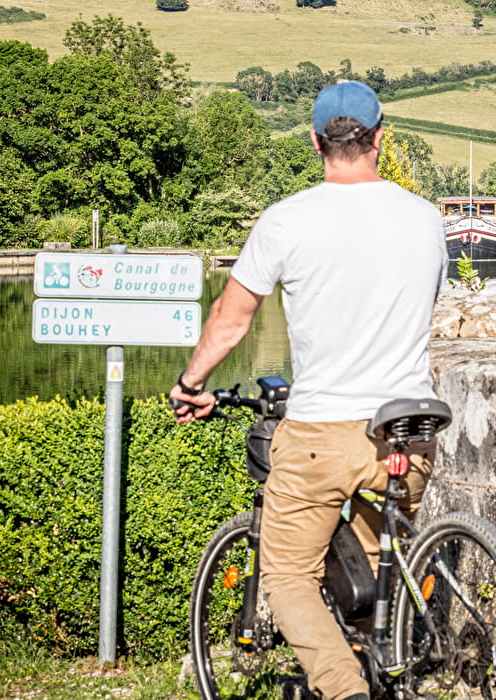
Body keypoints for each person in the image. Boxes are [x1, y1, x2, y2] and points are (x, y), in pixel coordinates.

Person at [170, 80, 448, 700]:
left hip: (323, 428)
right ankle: (384, 662)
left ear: (316, 141)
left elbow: (232, 320)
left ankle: (343, 687)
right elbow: (422, 307)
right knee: (378, 569)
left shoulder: (286, 221)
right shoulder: (425, 217)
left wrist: (192, 383)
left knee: (289, 575)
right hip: (409, 427)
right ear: (380, 137)